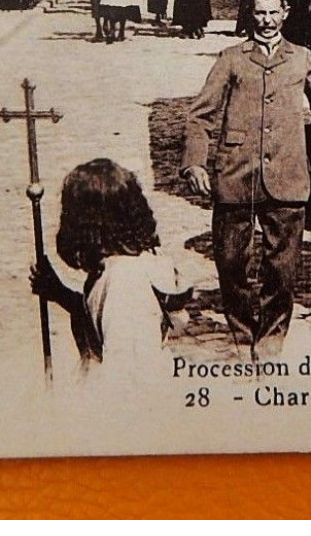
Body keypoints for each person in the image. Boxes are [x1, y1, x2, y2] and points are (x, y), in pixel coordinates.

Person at [181, 0, 311, 357]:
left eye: (272, 13)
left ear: (285, 12)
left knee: (283, 268)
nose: (266, 21)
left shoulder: (302, 58)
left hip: (288, 175)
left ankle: (272, 338)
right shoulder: (231, 58)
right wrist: (195, 161)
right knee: (231, 264)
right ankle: (243, 333)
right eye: (259, 14)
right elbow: (200, 115)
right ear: (251, 16)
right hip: (236, 173)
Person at [29, 159, 191, 378]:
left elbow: (127, 374)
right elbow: (99, 318)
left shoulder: (125, 281)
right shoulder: (126, 265)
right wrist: (60, 293)